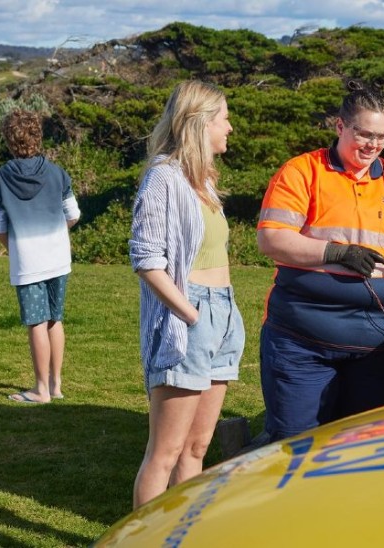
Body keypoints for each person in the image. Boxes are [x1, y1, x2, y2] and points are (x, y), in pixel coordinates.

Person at [256, 80, 384, 441]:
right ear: (340, 126)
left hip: (378, 349)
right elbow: (271, 239)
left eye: (382, 136)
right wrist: (336, 253)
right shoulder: (301, 172)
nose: (373, 144)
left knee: (364, 449)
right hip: (301, 342)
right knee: (294, 444)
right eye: (364, 134)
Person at [129, 80, 242, 507]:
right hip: (189, 316)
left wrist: (223, 317)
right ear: (200, 123)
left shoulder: (204, 180)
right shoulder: (163, 177)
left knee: (196, 449)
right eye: (224, 118)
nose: (230, 128)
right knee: (165, 453)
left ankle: (180, 535)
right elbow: (146, 260)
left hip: (224, 316)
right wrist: (190, 313)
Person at [0, 110, 81, 404]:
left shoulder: (0, 178)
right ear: (37, 137)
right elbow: (74, 215)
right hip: (58, 255)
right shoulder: (57, 173)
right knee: (55, 319)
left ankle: (40, 390)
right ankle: (55, 384)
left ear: (10, 140)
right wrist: (55, 233)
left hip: (28, 260)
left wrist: (15, 246)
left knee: (36, 323)